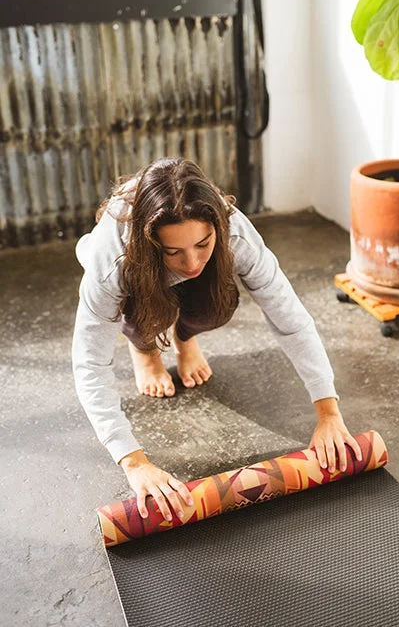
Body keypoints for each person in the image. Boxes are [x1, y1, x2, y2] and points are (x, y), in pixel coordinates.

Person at [72, 157, 361, 522]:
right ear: (154, 244)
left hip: (177, 262)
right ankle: (145, 348)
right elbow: (90, 363)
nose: (192, 261)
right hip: (129, 269)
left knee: (216, 303)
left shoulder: (235, 232)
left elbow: (290, 319)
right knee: (141, 311)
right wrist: (133, 462)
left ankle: (184, 339)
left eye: (203, 244)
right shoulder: (112, 260)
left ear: (217, 230)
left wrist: (328, 411)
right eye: (173, 251)